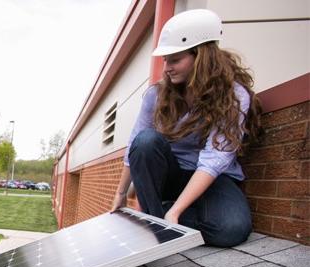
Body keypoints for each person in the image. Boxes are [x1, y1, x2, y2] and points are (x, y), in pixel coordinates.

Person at [110, 8, 261, 247]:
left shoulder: (233, 96)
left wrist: (175, 212)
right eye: (165, 60)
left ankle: (162, 214)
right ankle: (157, 223)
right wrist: (120, 194)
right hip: (171, 173)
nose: (167, 67)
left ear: (201, 56)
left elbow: (214, 160)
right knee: (147, 141)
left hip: (212, 178)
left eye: (175, 59)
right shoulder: (157, 95)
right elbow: (136, 142)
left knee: (230, 230)